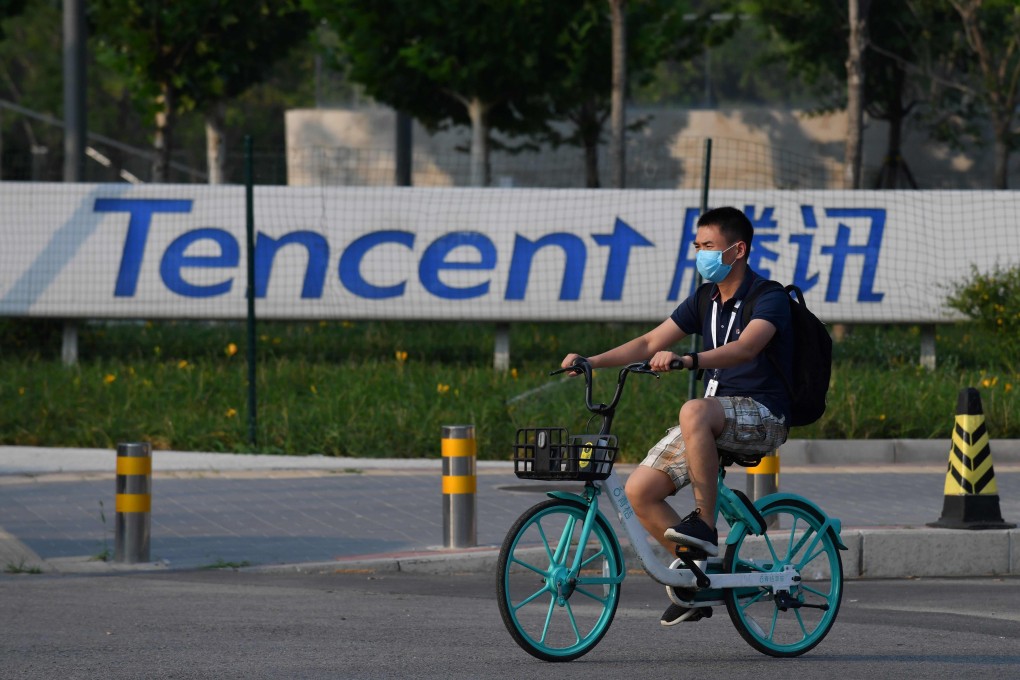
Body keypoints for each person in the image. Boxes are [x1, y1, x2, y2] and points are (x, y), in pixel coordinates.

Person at [560, 206, 793, 626]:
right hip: (712, 414)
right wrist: (590, 360)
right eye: (697, 246)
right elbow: (651, 340)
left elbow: (746, 348)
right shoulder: (705, 298)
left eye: (709, 246)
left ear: (737, 250)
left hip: (763, 413)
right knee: (639, 491)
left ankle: (705, 523)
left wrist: (689, 360)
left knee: (693, 409)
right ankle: (698, 578)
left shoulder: (768, 297)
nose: (700, 254)